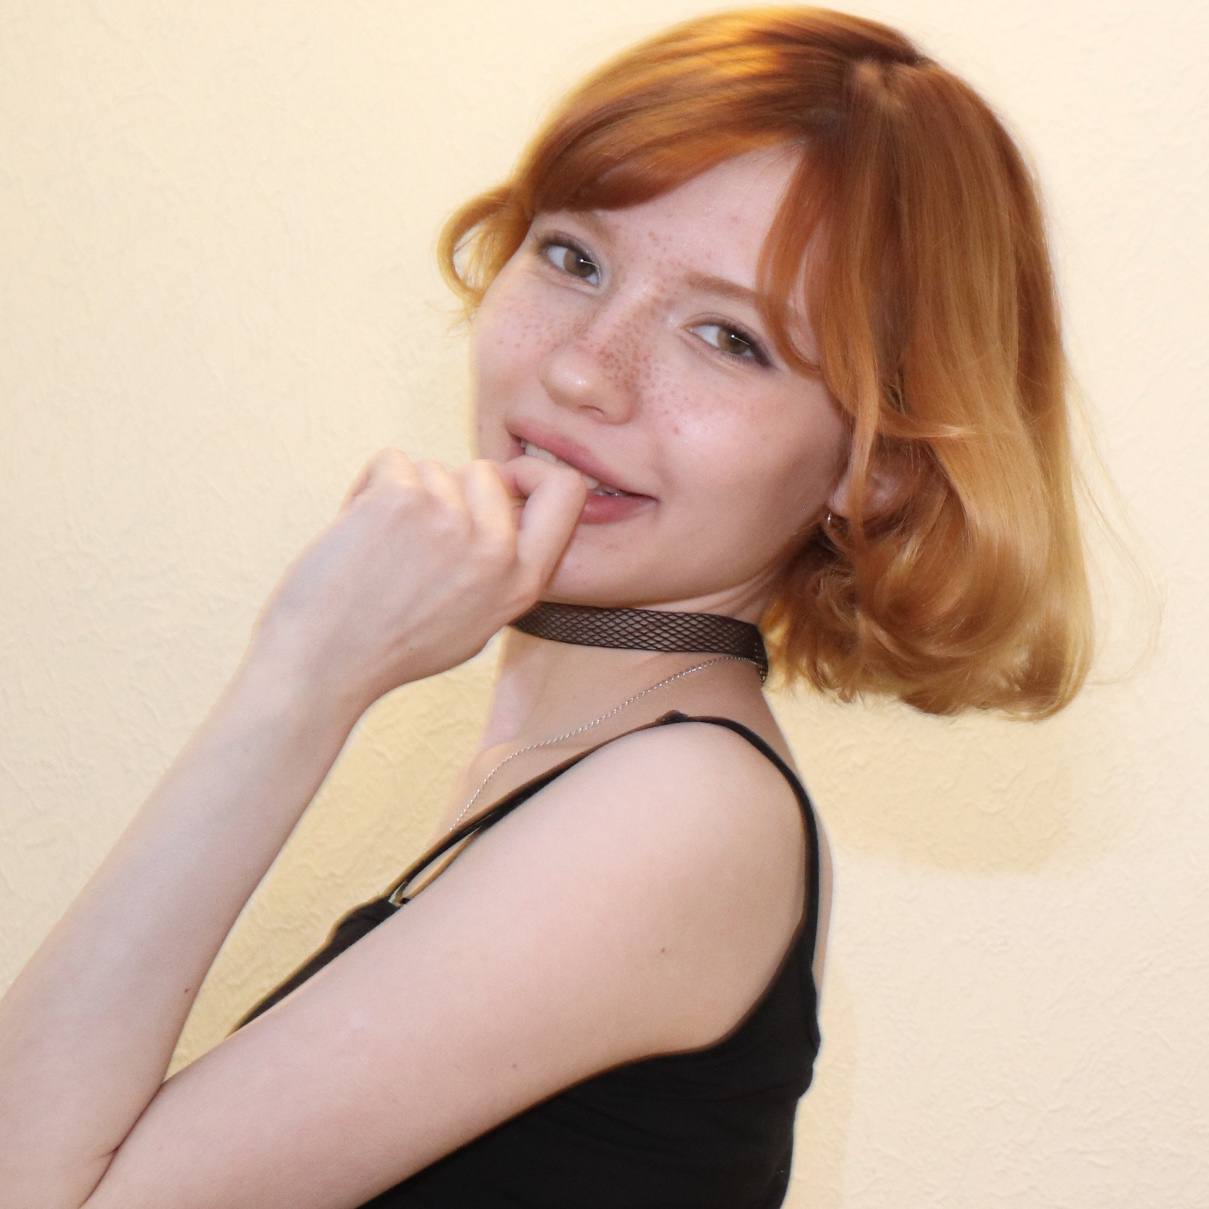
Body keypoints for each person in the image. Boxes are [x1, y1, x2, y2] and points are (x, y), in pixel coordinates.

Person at [0, 5, 1093, 1207]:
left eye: (728, 338)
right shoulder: (589, 762)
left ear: (876, 466)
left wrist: (304, 674)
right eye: (574, 259)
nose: (583, 369)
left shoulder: (674, 812)